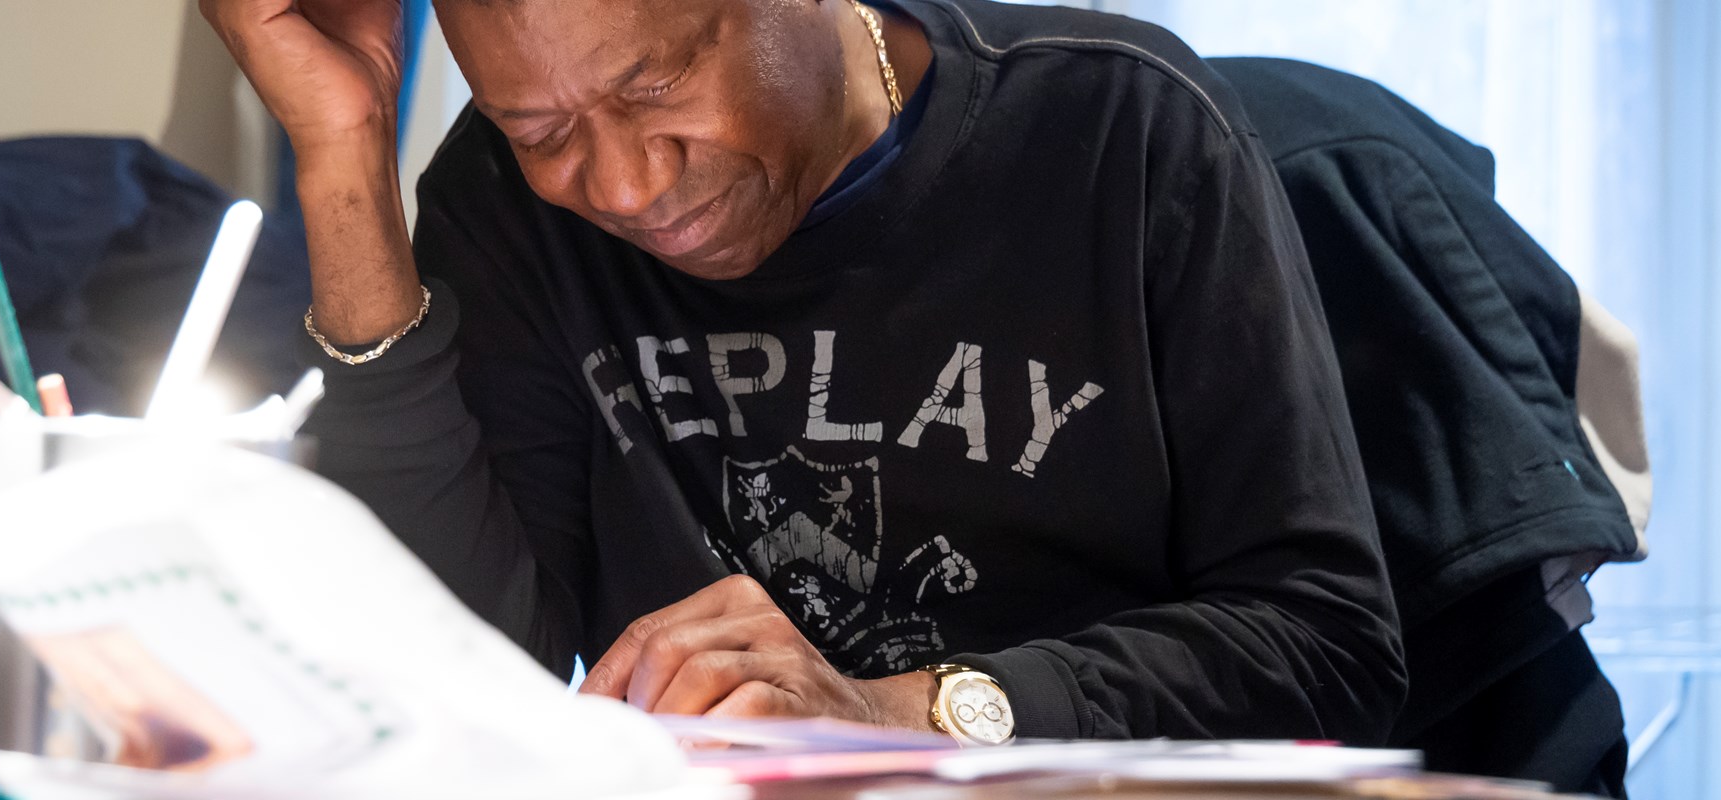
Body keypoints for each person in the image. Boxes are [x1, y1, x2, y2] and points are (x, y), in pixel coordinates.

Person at [199, 0, 1405, 744]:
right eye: (543, 133)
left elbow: (1327, 641)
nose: (623, 187)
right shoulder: (506, 209)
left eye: (654, 89)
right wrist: (340, 152)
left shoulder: (1125, 133)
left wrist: (911, 711)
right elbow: (456, 665)